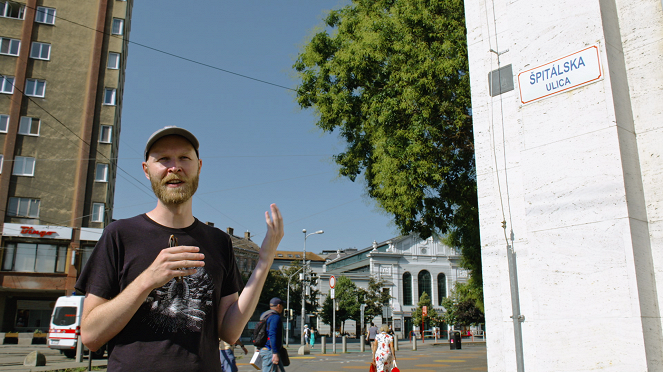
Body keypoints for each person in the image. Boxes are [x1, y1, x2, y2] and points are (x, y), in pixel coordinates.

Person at [75, 126, 284, 372]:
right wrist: (147, 280)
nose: (175, 167)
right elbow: (90, 336)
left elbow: (229, 331)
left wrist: (264, 261)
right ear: (146, 170)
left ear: (199, 166)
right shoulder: (119, 235)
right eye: (163, 159)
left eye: (184, 157)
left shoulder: (219, 242)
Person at [260, 298, 285, 372]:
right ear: (278, 306)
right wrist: (274, 353)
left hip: (265, 348)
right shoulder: (275, 317)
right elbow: (272, 334)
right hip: (270, 351)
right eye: (282, 305)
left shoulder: (265, 315)